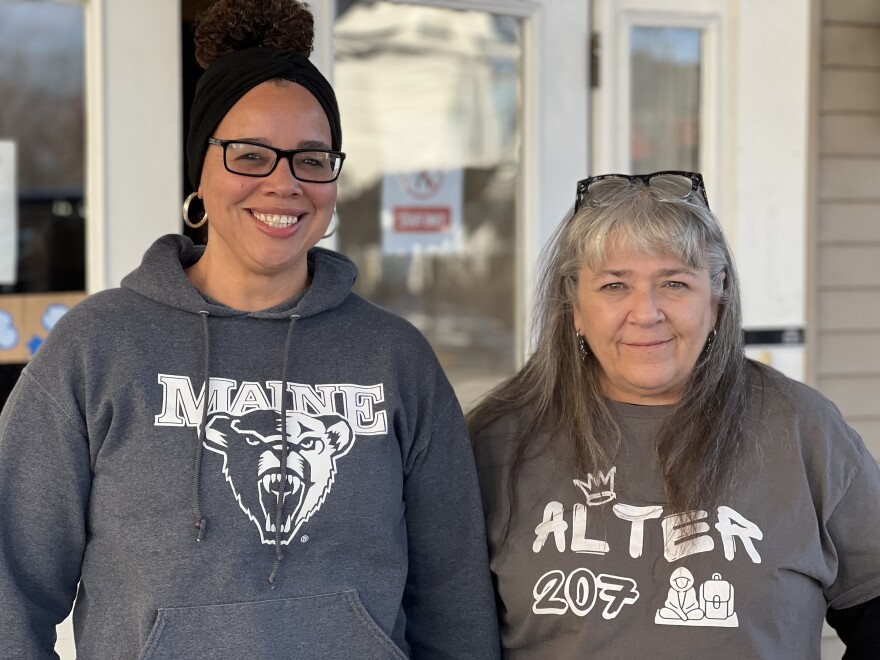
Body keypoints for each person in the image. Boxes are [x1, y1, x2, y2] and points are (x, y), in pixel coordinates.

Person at [0, 1, 499, 658]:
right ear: (199, 174)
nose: (284, 183)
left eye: (311, 159)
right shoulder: (97, 351)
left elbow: (454, 601)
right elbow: (12, 592)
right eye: (250, 155)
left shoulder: (394, 358)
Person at [468, 171, 880, 658]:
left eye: (675, 283)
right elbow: (445, 628)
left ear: (717, 297)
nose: (646, 312)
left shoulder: (803, 428)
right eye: (615, 285)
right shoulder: (498, 439)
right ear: (574, 304)